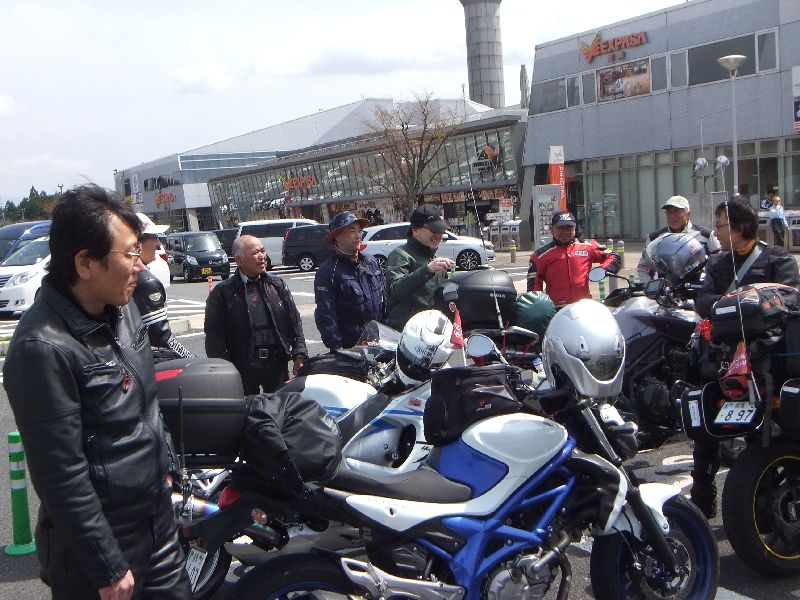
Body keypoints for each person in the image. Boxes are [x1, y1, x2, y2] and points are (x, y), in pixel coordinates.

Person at [3, 184, 191, 599]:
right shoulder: (42, 347)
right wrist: (107, 566)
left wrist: (169, 472)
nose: (140, 265)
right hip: (101, 552)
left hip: (158, 523)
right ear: (85, 263)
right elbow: (60, 474)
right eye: (129, 253)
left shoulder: (124, 309)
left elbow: (147, 406)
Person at [691, 195, 800, 519]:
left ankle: (767, 504)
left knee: (773, 433)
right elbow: (703, 300)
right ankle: (700, 502)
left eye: (721, 225)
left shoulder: (777, 258)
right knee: (704, 428)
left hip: (768, 361)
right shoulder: (717, 263)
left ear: (740, 227)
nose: (716, 231)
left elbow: (788, 297)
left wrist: (741, 304)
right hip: (723, 361)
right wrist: (739, 304)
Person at [205, 234, 307, 394]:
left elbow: (295, 323)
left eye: (263, 251)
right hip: (242, 366)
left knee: (282, 404)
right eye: (255, 253)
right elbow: (214, 337)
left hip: (276, 363)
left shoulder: (277, 285)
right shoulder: (223, 292)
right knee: (246, 407)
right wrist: (222, 369)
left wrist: (299, 354)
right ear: (239, 260)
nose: (262, 257)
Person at [314, 211, 386, 351]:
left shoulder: (371, 262)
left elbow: (385, 302)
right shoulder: (328, 271)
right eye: (352, 231)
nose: (358, 236)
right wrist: (338, 349)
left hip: (380, 343)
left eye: (359, 231)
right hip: (350, 348)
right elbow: (325, 314)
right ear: (336, 236)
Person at [133, 212, 195, 362]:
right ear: (138, 243)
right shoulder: (145, 282)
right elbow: (162, 338)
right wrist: (192, 361)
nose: (159, 244)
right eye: (154, 237)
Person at [526, 212, 621, 307]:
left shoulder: (588, 246)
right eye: (560, 228)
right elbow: (534, 291)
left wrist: (602, 270)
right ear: (552, 229)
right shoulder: (540, 256)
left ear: (575, 228)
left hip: (583, 307)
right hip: (556, 309)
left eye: (569, 228)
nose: (565, 232)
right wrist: (538, 308)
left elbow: (613, 256)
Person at [385, 204, 454, 330]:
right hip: (405, 330)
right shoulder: (400, 255)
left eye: (441, 231)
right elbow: (394, 291)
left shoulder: (435, 260)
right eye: (433, 230)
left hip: (431, 329)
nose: (438, 236)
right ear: (415, 230)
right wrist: (427, 270)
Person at [637, 195, 719, 282]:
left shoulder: (706, 235)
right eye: (668, 212)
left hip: (700, 288)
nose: (672, 216)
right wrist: (650, 286)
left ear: (688, 214)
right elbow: (644, 267)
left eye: (676, 212)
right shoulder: (655, 238)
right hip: (666, 289)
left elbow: (720, 263)